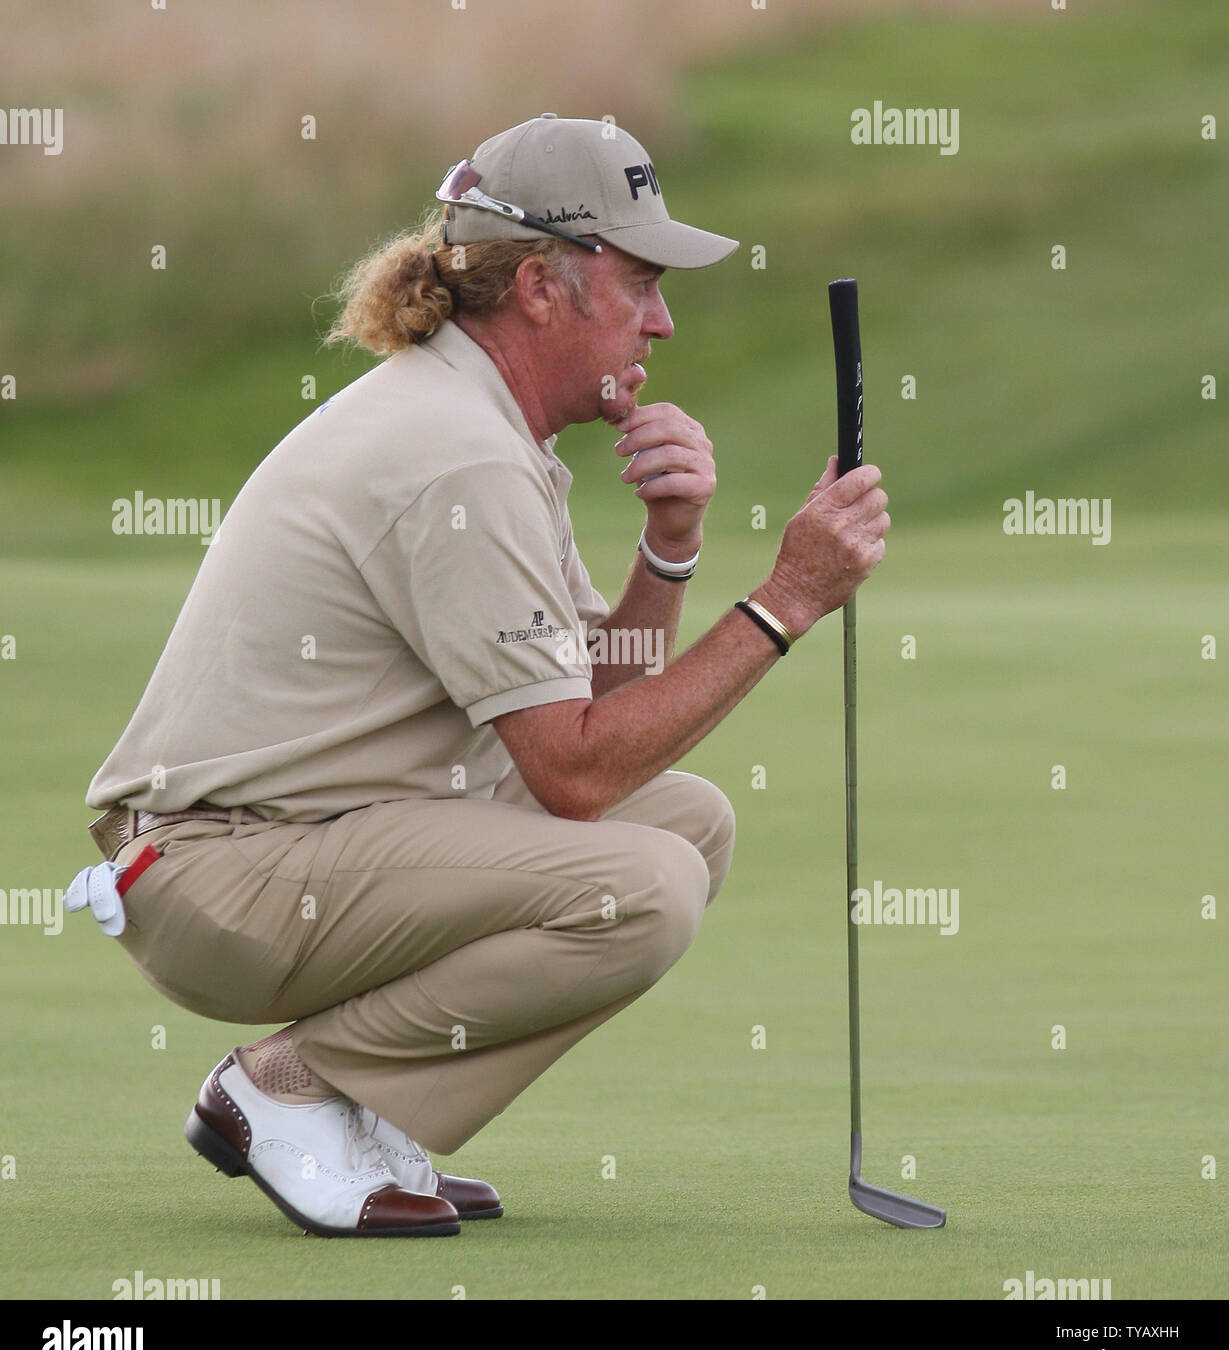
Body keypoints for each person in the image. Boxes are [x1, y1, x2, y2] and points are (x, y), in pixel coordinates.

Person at [76, 115, 889, 1238]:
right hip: (226, 876)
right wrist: (787, 600)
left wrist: (671, 547)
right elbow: (573, 775)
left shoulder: (487, 429)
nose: (662, 317)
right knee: (643, 885)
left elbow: (599, 716)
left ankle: (362, 1111)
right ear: (543, 288)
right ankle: (290, 1087)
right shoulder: (458, 451)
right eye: (639, 279)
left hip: (306, 837)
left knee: (687, 825)